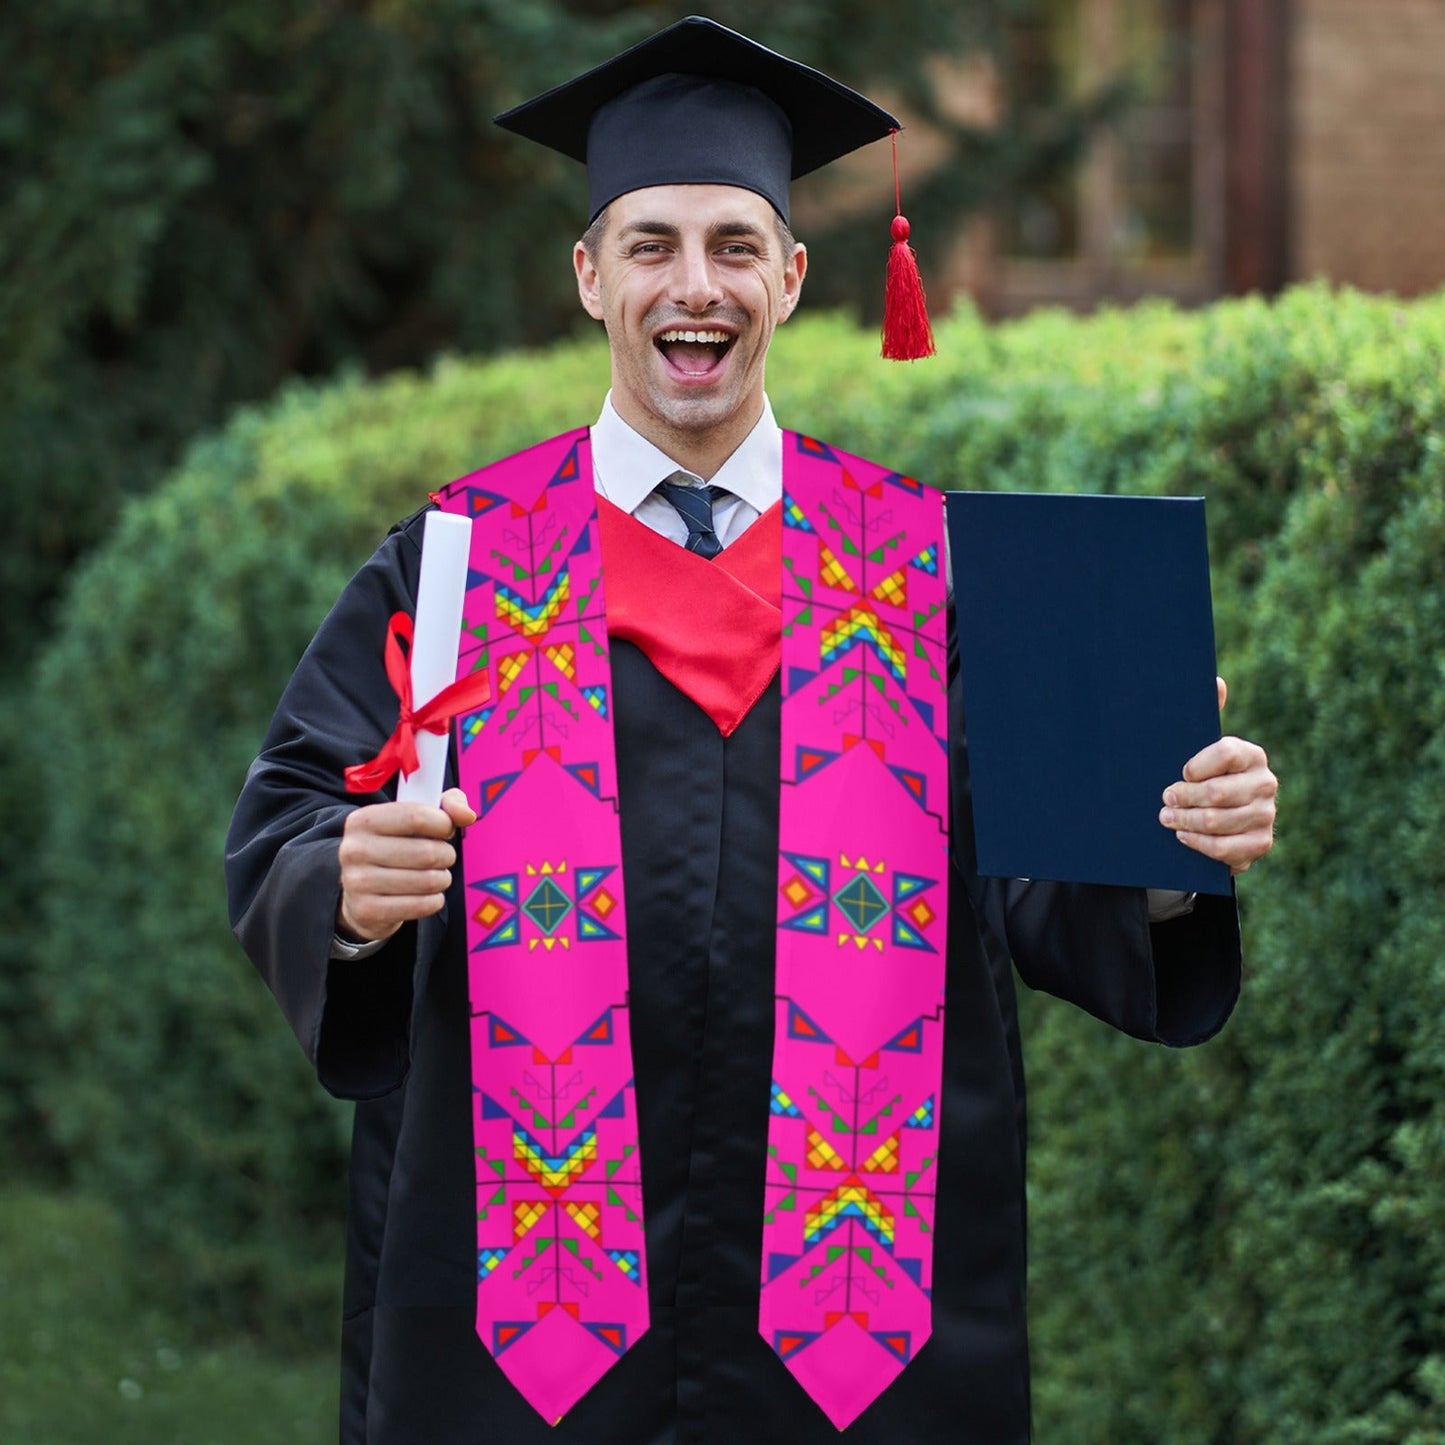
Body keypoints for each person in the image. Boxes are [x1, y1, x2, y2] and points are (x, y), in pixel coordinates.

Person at [225, 17, 1277, 1445]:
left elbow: (1042, 885)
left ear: (789, 275)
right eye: (650, 244)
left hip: (863, 1327)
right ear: (589, 275)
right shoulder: (458, 564)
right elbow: (289, 818)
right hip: (520, 1334)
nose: (692, 285)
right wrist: (343, 887)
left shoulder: (927, 571)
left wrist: (1165, 844)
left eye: (732, 244)